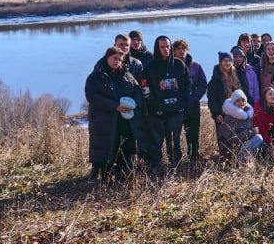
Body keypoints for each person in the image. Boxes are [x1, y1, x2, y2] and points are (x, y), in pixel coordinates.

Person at [85, 47, 142, 182]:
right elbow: (92, 96)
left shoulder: (126, 75)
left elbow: (137, 91)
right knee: (103, 147)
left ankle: (124, 171)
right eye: (114, 58)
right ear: (107, 57)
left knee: (125, 146)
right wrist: (114, 106)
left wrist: (135, 104)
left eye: (120, 59)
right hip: (103, 119)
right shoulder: (97, 75)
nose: (117, 62)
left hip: (124, 119)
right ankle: (100, 173)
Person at [142, 36, 190, 174]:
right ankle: (156, 166)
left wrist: (182, 103)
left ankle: (177, 166)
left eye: (168, 46)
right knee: (156, 142)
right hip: (156, 113)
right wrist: (153, 106)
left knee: (175, 140)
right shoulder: (149, 67)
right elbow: (144, 87)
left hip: (175, 111)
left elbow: (187, 85)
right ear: (157, 48)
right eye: (162, 47)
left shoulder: (179, 65)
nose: (166, 49)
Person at [172, 39, 207, 164]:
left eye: (183, 49)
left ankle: (193, 156)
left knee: (193, 131)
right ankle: (175, 158)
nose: (181, 51)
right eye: (178, 49)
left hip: (192, 105)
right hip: (175, 105)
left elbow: (203, 84)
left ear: (187, 50)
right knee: (174, 133)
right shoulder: (171, 65)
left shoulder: (196, 66)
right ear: (174, 51)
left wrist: (194, 98)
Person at [218, 89, 263, 163]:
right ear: (233, 103)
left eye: (243, 100)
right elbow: (232, 140)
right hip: (229, 153)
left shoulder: (246, 116)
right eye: (238, 101)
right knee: (258, 138)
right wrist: (251, 131)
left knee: (259, 140)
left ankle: (250, 161)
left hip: (242, 147)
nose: (241, 103)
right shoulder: (229, 118)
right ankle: (242, 161)